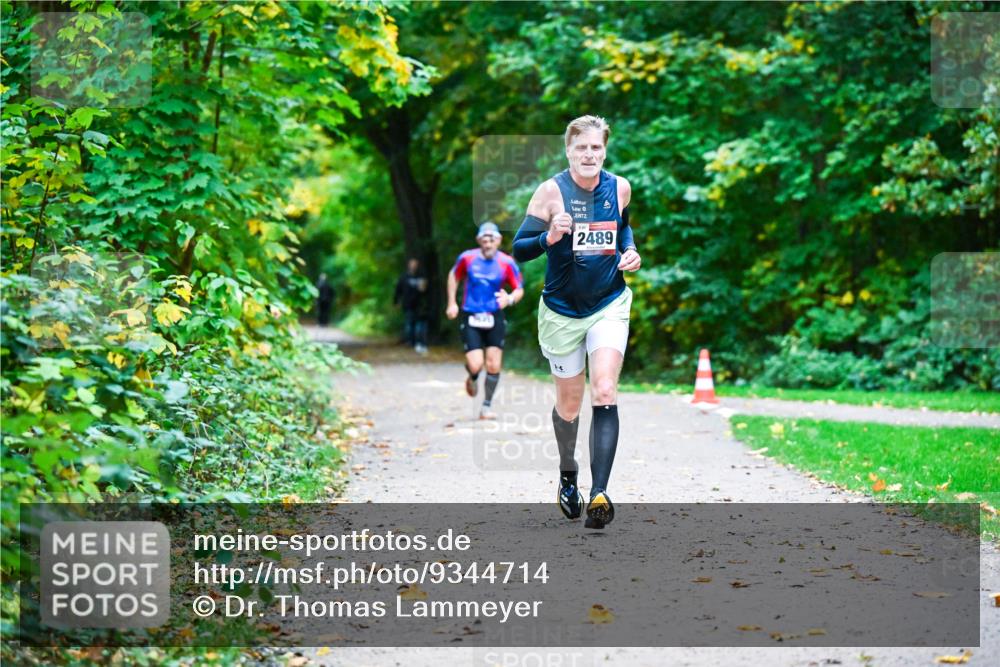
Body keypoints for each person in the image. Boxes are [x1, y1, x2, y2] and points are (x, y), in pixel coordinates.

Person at [512, 115, 641, 529]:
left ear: (605, 150)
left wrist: (631, 251)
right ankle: (569, 476)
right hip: (562, 312)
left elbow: (624, 229)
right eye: (581, 148)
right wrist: (547, 237)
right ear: (568, 150)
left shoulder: (619, 187)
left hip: (609, 301)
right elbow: (519, 249)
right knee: (569, 406)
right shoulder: (551, 192)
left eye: (596, 148)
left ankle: (600, 493)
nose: (589, 155)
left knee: (604, 389)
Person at [446, 222, 524, 420]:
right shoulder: (467, 258)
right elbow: (453, 276)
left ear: (498, 240)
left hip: (494, 315)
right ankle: (472, 376)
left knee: (493, 364)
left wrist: (510, 299)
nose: (488, 243)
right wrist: (451, 303)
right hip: (471, 314)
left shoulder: (506, 262)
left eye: (492, 239)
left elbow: (519, 288)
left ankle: (486, 407)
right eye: (484, 239)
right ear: (479, 240)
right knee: (475, 364)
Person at [394, 257, 429, 354]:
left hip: (419, 306)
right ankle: (411, 342)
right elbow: (398, 290)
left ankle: (418, 343)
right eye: (412, 264)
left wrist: (422, 287)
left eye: (415, 264)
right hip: (407, 304)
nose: (413, 266)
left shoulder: (421, 276)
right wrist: (396, 302)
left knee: (418, 326)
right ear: (408, 265)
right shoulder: (404, 277)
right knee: (409, 325)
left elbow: (424, 290)